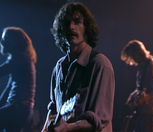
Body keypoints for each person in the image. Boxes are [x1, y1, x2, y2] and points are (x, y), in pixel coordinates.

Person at [41, 2, 115, 132]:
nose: (71, 27)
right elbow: (53, 110)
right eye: (66, 23)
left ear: (87, 27)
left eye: (77, 22)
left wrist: (68, 128)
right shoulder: (58, 67)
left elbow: (100, 120)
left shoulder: (100, 64)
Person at [120, 40, 153, 132]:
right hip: (144, 111)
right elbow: (141, 87)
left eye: (131, 57)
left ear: (137, 53)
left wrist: (141, 100)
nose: (131, 61)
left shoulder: (151, 65)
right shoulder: (143, 66)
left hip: (150, 111)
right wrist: (133, 96)